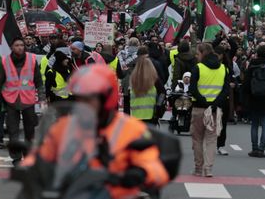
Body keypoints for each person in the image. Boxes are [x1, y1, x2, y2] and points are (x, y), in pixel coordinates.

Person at [25, 64, 170, 199]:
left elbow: (154, 166)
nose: (83, 105)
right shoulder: (64, 127)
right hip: (74, 191)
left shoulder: (132, 129)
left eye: (89, 99)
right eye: (80, 99)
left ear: (105, 98)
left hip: (116, 193)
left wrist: (141, 173)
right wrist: (29, 166)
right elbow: (42, 155)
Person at [0, 37, 44, 165]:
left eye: (21, 45)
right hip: (11, 100)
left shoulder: (32, 59)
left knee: (29, 132)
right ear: (12, 48)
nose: (20, 47)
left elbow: (39, 81)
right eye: (17, 45)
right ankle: (16, 158)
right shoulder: (5, 61)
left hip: (28, 100)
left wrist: (42, 98)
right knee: (13, 131)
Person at [189, 43, 229, 177]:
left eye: (198, 53)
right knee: (211, 139)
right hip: (215, 109)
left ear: (203, 53)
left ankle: (198, 168)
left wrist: (204, 102)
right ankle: (208, 168)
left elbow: (193, 89)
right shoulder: (223, 68)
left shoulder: (198, 68)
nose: (196, 56)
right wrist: (214, 104)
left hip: (199, 108)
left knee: (197, 139)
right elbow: (225, 90)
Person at [129, 56, 163, 125]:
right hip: (150, 116)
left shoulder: (133, 80)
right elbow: (162, 93)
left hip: (135, 116)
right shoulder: (154, 80)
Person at [118, 38, 141, 114]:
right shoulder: (139, 54)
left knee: (126, 99)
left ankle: (126, 116)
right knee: (136, 100)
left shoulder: (122, 53)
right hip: (136, 79)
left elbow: (120, 66)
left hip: (125, 78)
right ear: (138, 44)